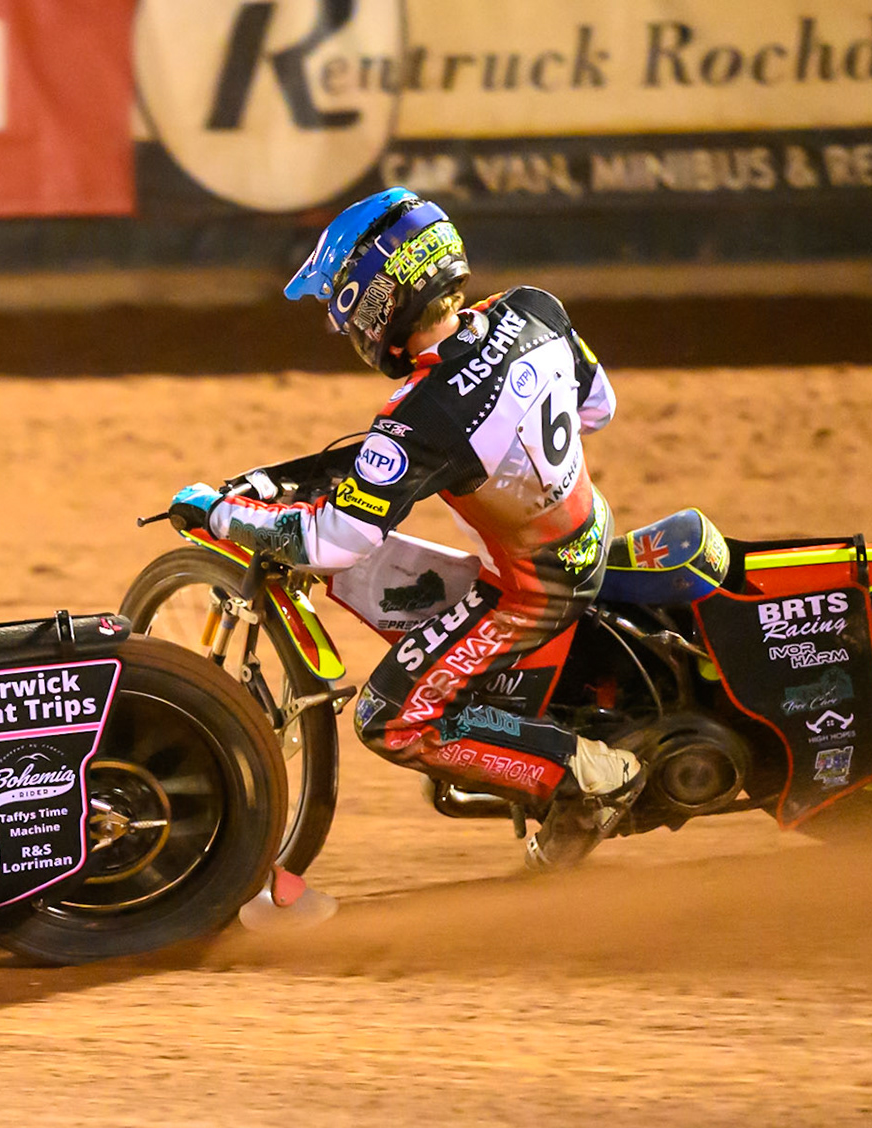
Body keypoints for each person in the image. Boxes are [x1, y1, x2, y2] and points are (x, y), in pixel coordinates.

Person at [167, 188, 641, 867]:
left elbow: (336, 540)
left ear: (379, 299)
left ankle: (584, 776)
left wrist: (223, 514)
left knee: (390, 720)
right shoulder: (537, 307)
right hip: (586, 532)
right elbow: (597, 406)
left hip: (531, 592)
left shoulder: (423, 413)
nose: (347, 329)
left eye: (345, 308)